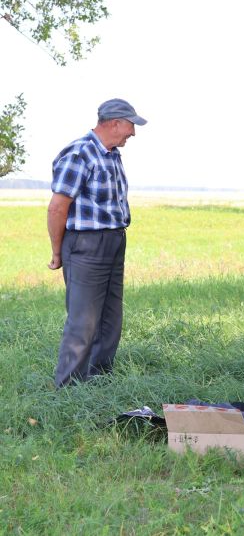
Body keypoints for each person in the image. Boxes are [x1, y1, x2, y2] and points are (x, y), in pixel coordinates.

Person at [47, 98, 147, 387]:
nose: (133, 132)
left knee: (110, 318)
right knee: (83, 322)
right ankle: (66, 389)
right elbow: (57, 208)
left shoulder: (111, 154)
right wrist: (57, 252)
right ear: (115, 123)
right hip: (87, 245)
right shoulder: (80, 154)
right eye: (131, 125)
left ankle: (99, 382)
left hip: (114, 240)